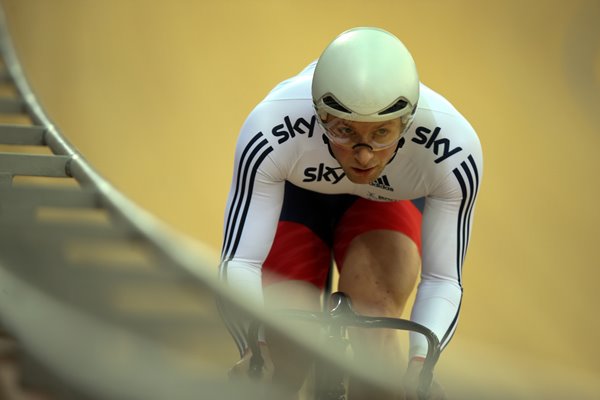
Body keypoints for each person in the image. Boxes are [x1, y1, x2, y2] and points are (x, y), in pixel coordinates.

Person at [219, 27, 482, 399]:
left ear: (407, 122)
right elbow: (240, 260)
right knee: (284, 347)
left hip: (382, 202)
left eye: (381, 133)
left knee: (377, 324)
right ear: (319, 115)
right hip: (298, 195)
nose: (362, 155)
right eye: (344, 130)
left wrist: (421, 366)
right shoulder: (271, 126)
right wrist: (254, 349)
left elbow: (443, 278)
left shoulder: (451, 148)